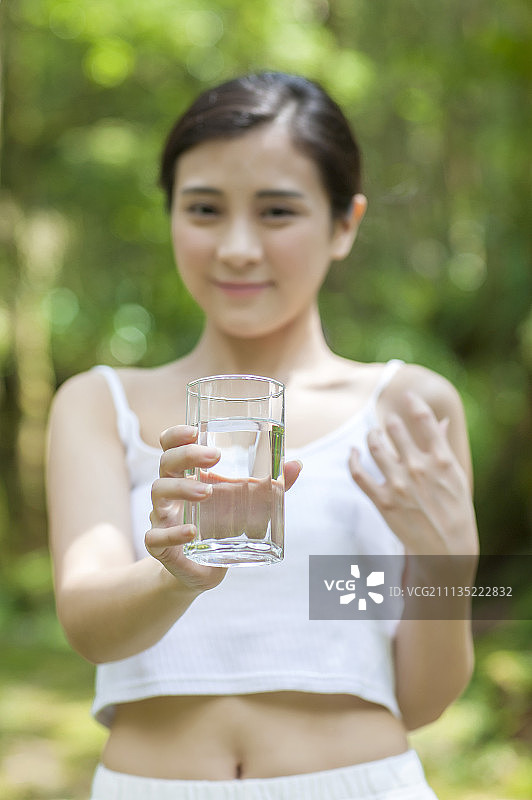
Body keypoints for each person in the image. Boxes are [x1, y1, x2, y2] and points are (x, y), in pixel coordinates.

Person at [46, 71, 479, 799]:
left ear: (345, 224)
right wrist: (173, 573)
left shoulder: (407, 410)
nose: (238, 248)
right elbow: (91, 626)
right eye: (205, 209)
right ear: (171, 216)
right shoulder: (98, 403)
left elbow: (419, 699)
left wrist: (450, 565)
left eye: (278, 211)